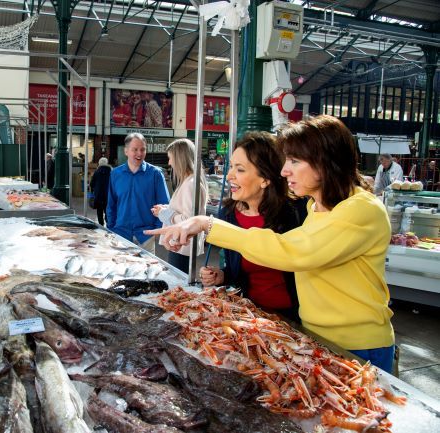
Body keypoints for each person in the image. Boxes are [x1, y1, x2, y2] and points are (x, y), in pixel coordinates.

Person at [146, 115, 396, 373]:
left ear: (325, 162)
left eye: (294, 161)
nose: (285, 170)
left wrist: (207, 224)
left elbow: (292, 251)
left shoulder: (362, 209)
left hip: (359, 346)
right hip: (314, 336)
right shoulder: (315, 207)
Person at [198, 132, 305, 322]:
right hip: (249, 315)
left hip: (295, 319)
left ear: (265, 179)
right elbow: (236, 271)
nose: (229, 175)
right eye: (231, 167)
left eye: (239, 169)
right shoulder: (228, 214)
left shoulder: (296, 212)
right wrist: (221, 275)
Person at [151, 139, 207, 273]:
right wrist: (166, 209)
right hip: (180, 244)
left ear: (180, 158)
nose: (169, 163)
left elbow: (189, 221)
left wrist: (164, 213)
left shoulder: (190, 183)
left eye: (170, 158)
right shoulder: (189, 181)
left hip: (182, 245)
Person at [107, 133, 170, 254]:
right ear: (126, 151)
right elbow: (111, 204)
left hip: (145, 236)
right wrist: (112, 228)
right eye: (135, 149)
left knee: (147, 271)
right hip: (121, 235)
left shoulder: (155, 174)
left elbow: (164, 205)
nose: (139, 153)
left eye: (143, 149)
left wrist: (156, 230)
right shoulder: (115, 174)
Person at [90, 157, 112, 226]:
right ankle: (108, 222)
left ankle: (101, 223)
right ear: (106, 163)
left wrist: (94, 189)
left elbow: (92, 184)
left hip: (98, 195)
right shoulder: (111, 172)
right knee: (107, 209)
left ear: (99, 163)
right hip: (108, 195)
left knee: (99, 210)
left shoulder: (97, 172)